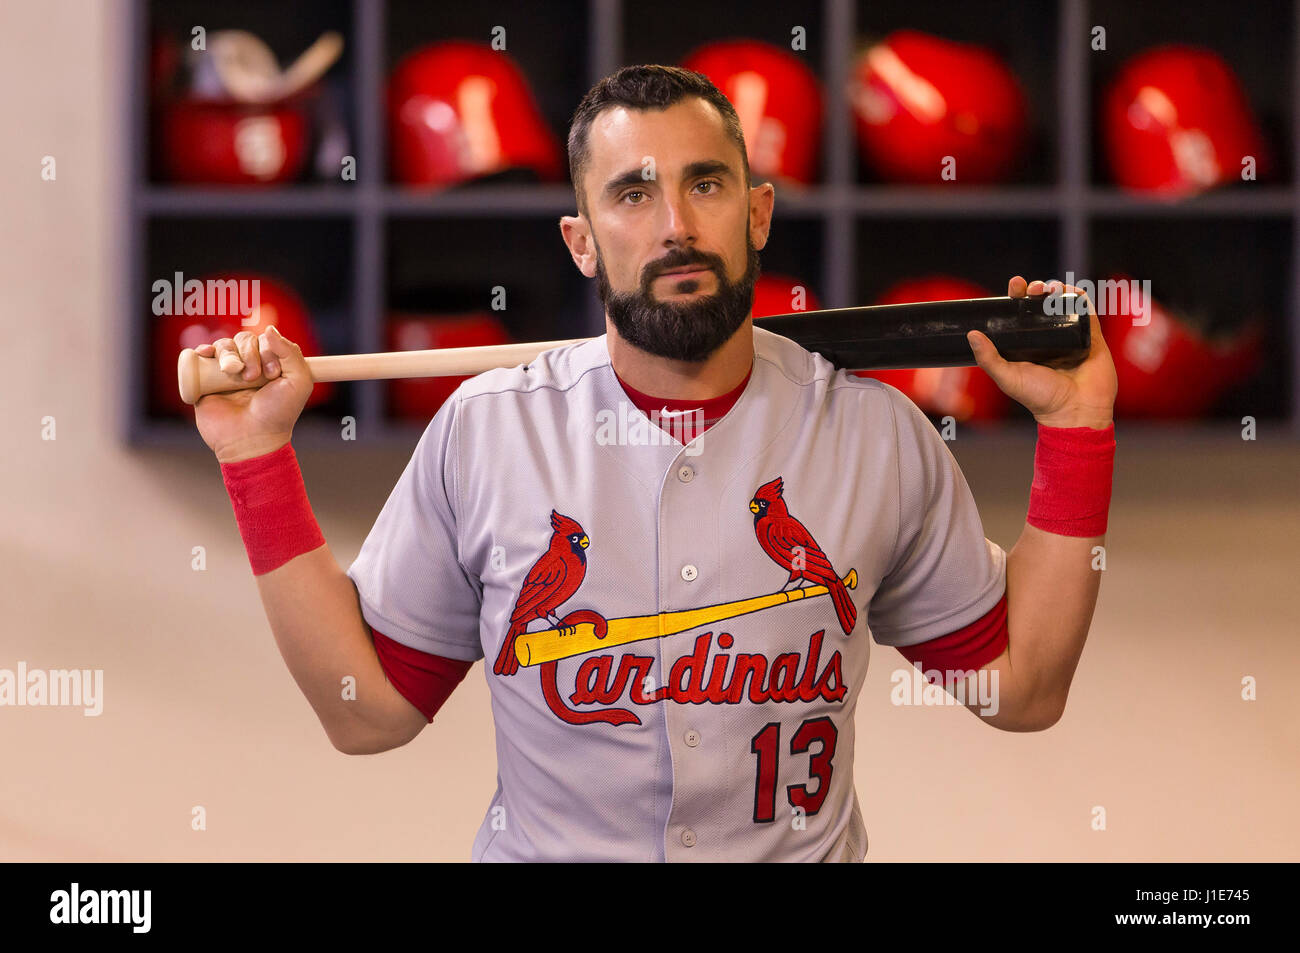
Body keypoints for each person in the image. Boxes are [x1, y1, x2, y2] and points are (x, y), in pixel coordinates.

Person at [192, 66, 1117, 861]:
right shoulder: (488, 432)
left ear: (757, 214)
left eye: (706, 184)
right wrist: (255, 456)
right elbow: (367, 712)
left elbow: (1024, 688)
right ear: (582, 240)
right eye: (632, 193)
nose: (675, 223)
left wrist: (1078, 427)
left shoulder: (874, 434)